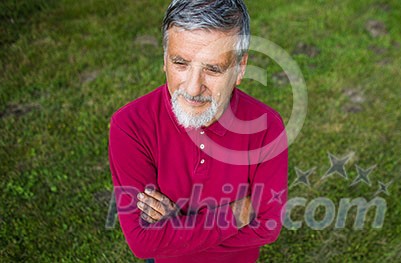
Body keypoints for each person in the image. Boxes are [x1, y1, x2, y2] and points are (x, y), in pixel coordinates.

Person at [108, 0, 288, 262]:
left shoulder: (267, 126)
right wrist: (242, 211)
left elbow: (270, 226)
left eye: (213, 69)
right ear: (164, 59)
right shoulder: (130, 125)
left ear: (240, 68)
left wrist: (176, 227)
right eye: (180, 63)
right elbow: (144, 242)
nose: (193, 89)